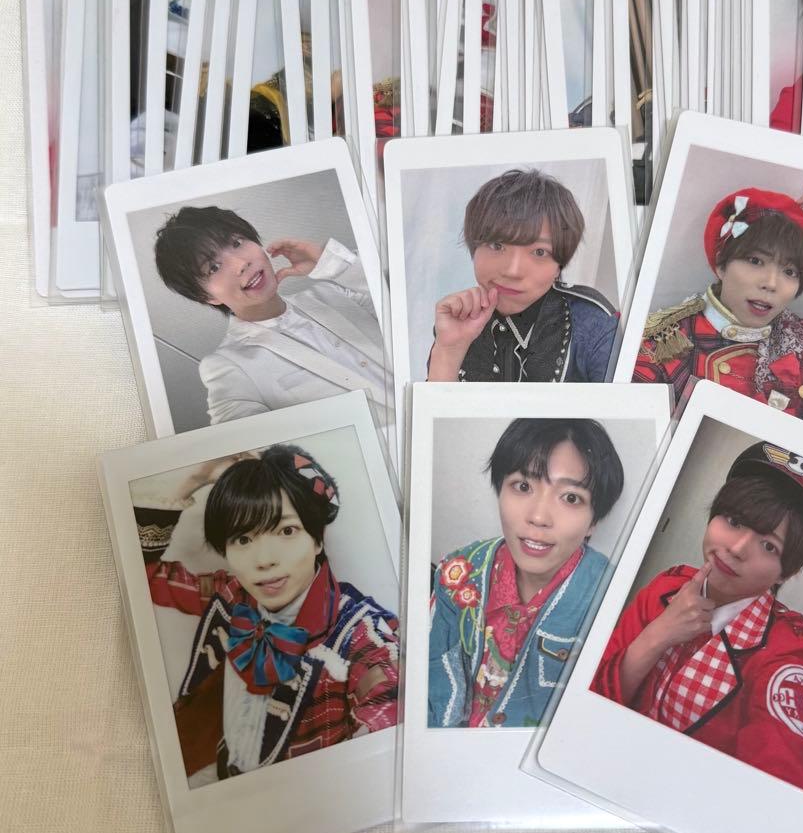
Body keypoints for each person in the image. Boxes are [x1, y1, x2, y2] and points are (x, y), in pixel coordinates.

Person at [591, 440, 803, 796]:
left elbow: (781, 785)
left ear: (787, 572)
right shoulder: (667, 587)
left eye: (768, 545)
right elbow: (591, 697)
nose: (737, 548)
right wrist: (659, 633)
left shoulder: (783, 652)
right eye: (734, 521)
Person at [136, 445, 400, 783]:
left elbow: (389, 725)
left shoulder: (361, 632)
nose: (264, 560)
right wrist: (193, 479)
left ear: (317, 539)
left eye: (286, 531)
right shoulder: (231, 594)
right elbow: (143, 574)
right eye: (243, 538)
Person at [633, 179, 803, 421]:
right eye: (755, 261)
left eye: (790, 271)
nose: (771, 283)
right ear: (721, 264)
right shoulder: (664, 345)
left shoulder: (801, 342)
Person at [428, 418, 625, 728]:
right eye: (523, 486)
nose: (539, 517)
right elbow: (432, 681)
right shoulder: (458, 572)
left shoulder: (614, 599)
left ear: (594, 521)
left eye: (571, 497)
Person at [153, 205, 390, 429]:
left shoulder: (334, 293)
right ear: (206, 296)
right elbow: (242, 448)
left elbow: (405, 301)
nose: (241, 263)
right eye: (214, 267)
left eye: (237, 243)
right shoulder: (228, 367)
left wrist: (334, 265)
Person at [426, 169, 617, 383]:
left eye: (539, 252)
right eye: (496, 245)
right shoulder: (460, 319)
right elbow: (433, 405)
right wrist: (448, 352)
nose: (513, 271)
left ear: (559, 265)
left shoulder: (593, 324)